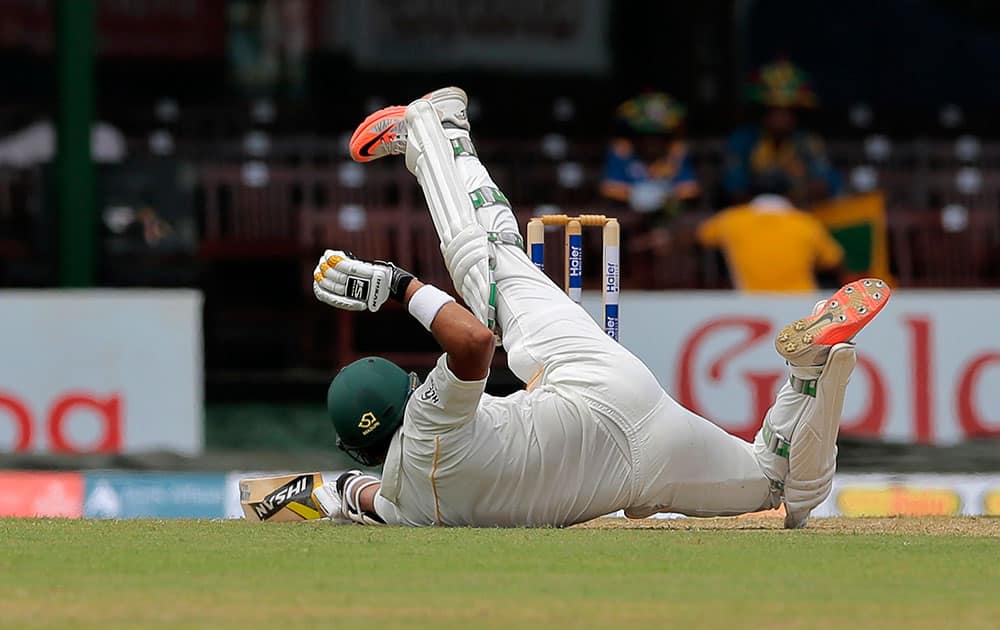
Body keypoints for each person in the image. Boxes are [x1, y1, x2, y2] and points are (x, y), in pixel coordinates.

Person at [308, 87, 891, 529]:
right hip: (590, 379)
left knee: (776, 486)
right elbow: (472, 344)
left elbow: (364, 498)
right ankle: (438, 136)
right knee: (496, 277)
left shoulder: (406, 505)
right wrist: (399, 285)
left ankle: (812, 375)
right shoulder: (429, 421)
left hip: (638, 467)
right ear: (411, 396)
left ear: (360, 451)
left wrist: (322, 495)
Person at [696, 173, 847, 292]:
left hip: (752, 304)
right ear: (790, 194)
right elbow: (834, 261)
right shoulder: (805, 223)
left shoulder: (731, 220)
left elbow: (700, 236)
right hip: (802, 305)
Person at [723, 59, 840, 207]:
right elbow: (735, 191)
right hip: (754, 217)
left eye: (787, 111)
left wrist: (794, 197)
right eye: (775, 110)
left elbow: (825, 185)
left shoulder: (809, 143)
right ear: (762, 111)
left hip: (797, 216)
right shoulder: (742, 141)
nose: (781, 118)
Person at [599, 92, 699, 254]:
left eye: (660, 137)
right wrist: (635, 196)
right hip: (629, 216)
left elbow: (690, 189)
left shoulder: (677, 152)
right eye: (646, 136)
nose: (653, 142)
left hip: (669, 216)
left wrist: (664, 198)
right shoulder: (622, 151)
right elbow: (609, 188)